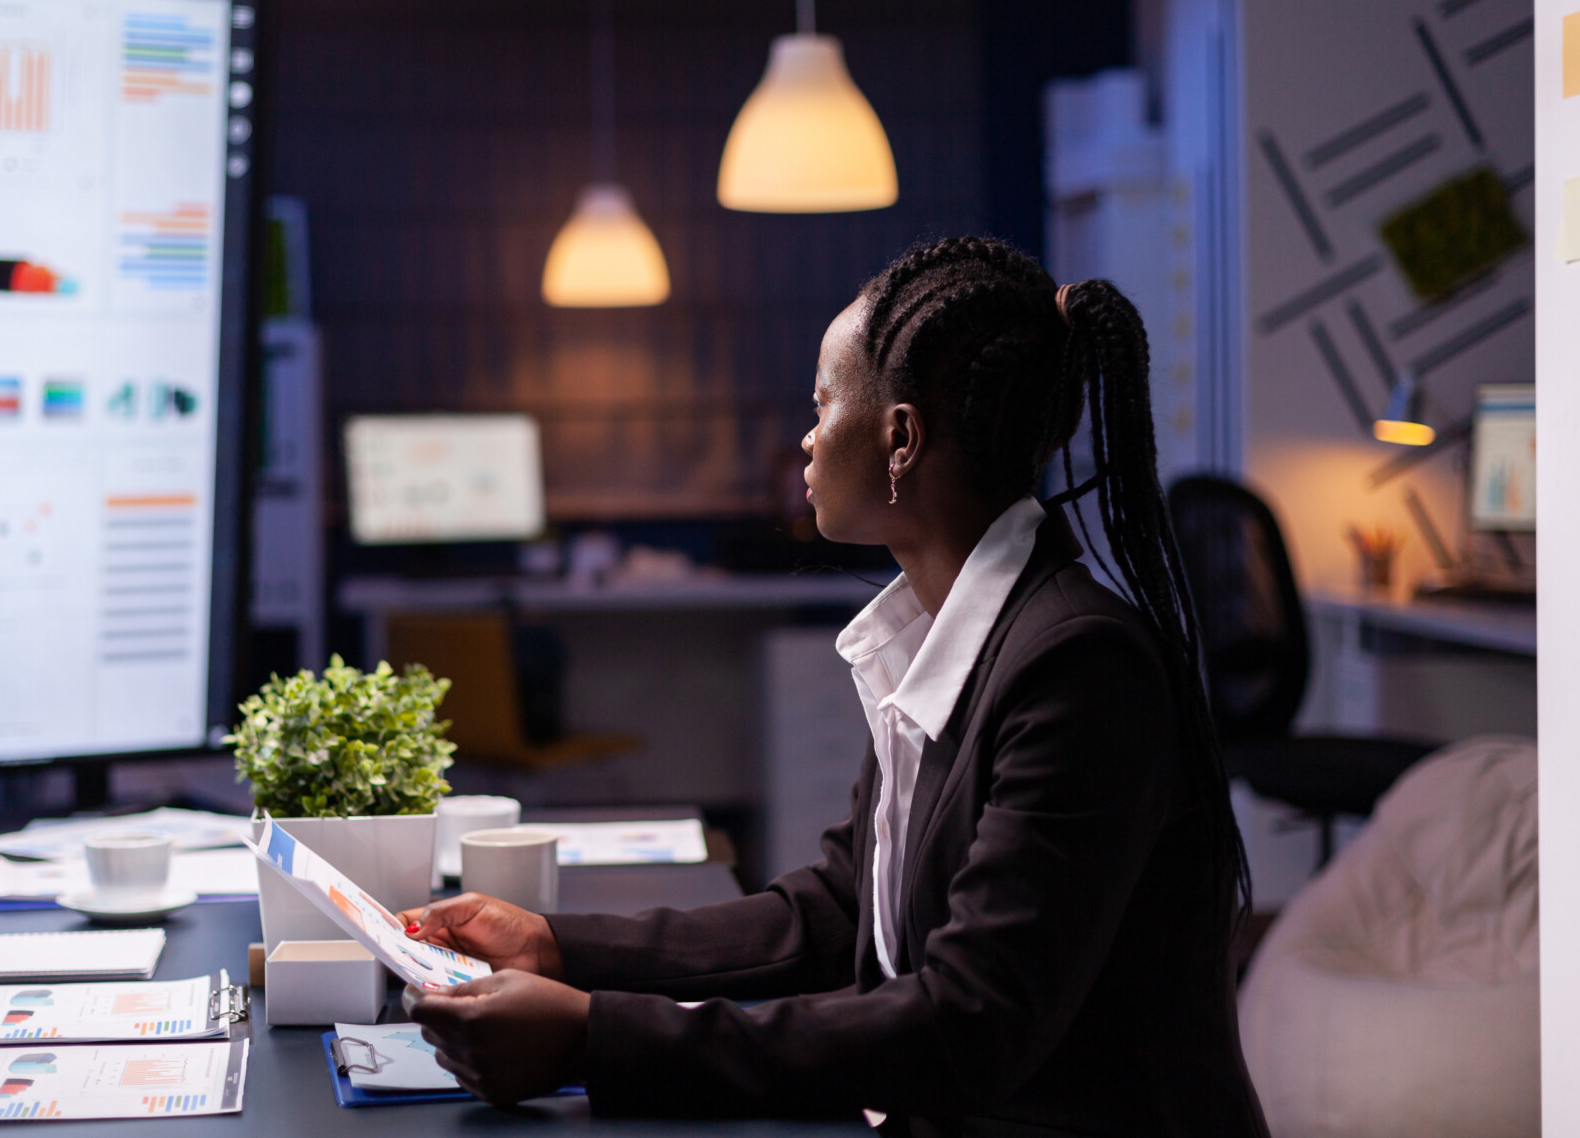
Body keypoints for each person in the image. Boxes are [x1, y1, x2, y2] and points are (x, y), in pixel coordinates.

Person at [400, 237, 1269, 1137]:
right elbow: (835, 911)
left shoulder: (1077, 667)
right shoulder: (948, 639)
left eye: (822, 403)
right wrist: (556, 947)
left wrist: (593, 1040)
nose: (807, 436)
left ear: (900, 436)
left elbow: (966, 1023)